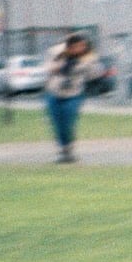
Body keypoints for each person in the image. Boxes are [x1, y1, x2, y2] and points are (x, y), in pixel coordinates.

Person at [43, 32, 98, 164]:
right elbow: (48, 68)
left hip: (74, 93)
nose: (80, 49)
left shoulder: (88, 57)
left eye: (83, 46)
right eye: (77, 46)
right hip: (54, 92)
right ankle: (63, 151)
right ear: (70, 46)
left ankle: (68, 150)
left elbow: (93, 75)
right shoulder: (57, 52)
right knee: (57, 123)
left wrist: (87, 64)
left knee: (68, 121)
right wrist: (61, 64)